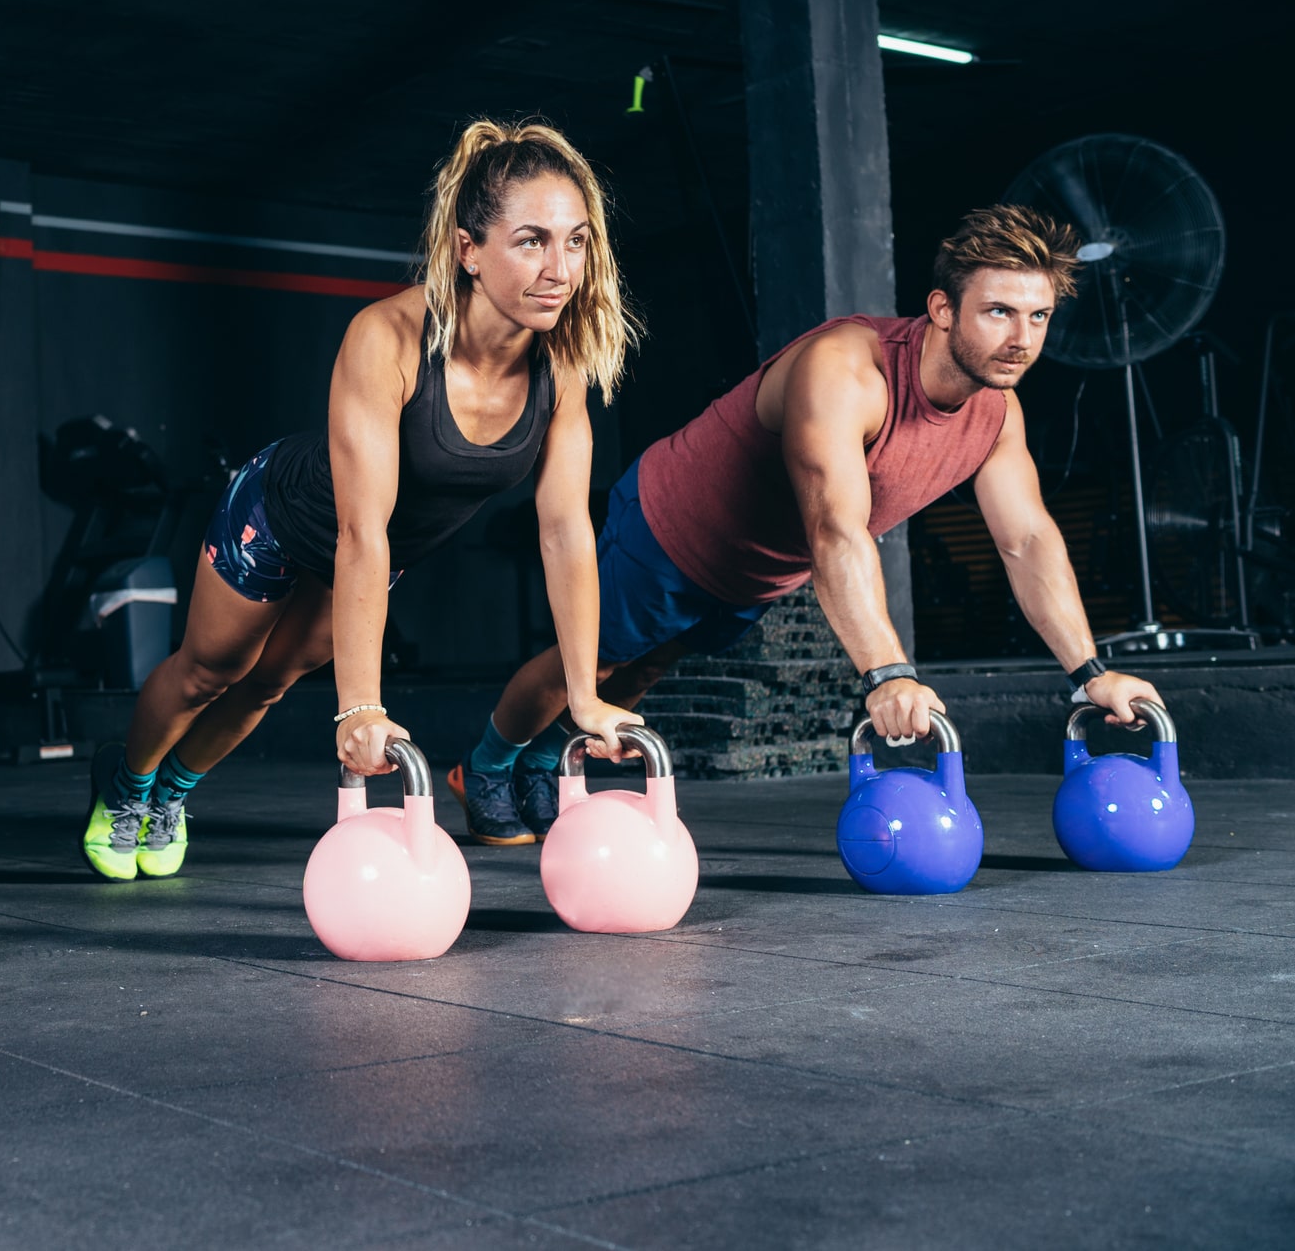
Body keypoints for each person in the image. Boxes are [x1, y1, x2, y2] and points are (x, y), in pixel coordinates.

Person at [455, 204, 1164, 814]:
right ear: (942, 310)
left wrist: (1089, 672)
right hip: (669, 526)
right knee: (597, 663)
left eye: (1037, 316)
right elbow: (834, 528)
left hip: (750, 574)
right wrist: (887, 673)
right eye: (998, 312)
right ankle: (483, 768)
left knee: (647, 669)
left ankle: (545, 764)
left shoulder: (995, 413)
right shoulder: (847, 370)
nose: (1020, 338)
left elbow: (1027, 540)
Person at [80, 119, 645, 879]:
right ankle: (126, 785)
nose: (559, 268)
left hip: (378, 551)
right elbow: (360, 531)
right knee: (211, 670)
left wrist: (582, 696)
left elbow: (564, 531)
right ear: (466, 249)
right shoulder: (386, 336)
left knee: (269, 685)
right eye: (531, 240)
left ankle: (174, 792)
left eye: (575, 241)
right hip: (283, 518)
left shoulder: (561, 366)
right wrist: (359, 707)